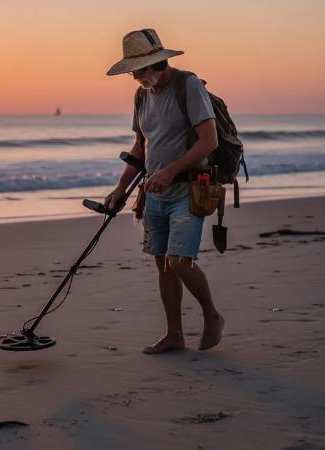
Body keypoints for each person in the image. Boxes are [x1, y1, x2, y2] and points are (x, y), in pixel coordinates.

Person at [104, 28, 225, 354]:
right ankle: (175, 334)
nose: (135, 78)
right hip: (154, 193)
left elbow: (209, 141)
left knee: (179, 262)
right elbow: (141, 146)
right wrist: (120, 188)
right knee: (163, 265)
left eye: (140, 70)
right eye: (133, 71)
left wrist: (170, 172)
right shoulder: (142, 96)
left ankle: (212, 315)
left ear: (157, 62)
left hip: (188, 190)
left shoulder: (188, 86)